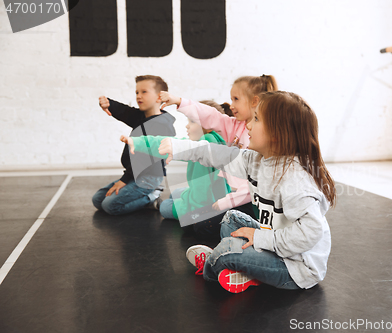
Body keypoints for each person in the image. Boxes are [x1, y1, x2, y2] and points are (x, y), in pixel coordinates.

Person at [123, 91, 336, 293]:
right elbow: (214, 154)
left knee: (227, 252)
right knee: (230, 219)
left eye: (256, 120)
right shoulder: (256, 160)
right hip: (274, 242)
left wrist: (261, 239)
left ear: (278, 135)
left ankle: (215, 263)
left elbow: (310, 233)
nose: (248, 125)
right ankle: (246, 271)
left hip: (295, 267)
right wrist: (175, 147)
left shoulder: (295, 180)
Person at [159, 74, 278, 214]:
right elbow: (210, 115)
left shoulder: (262, 137)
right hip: (230, 192)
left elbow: (253, 184)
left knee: (168, 207)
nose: (232, 105)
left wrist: (227, 201)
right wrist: (179, 101)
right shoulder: (236, 125)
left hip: (246, 201)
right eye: (231, 99)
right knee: (176, 193)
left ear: (254, 101)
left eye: (236, 99)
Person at [122, 101, 231, 228]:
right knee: (174, 194)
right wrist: (139, 141)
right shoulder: (215, 140)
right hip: (219, 197)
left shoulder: (203, 148)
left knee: (164, 206)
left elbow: (202, 196)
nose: (187, 126)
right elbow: (169, 143)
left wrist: (193, 215)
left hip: (206, 206)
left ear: (209, 125)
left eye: (192, 122)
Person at [92, 75, 176, 215]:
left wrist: (124, 180)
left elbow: (144, 161)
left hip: (148, 177)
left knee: (109, 206)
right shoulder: (142, 118)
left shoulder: (161, 126)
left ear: (159, 97)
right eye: (137, 92)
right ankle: (142, 195)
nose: (138, 96)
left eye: (144, 92)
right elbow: (126, 112)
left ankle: (152, 197)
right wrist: (109, 104)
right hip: (135, 175)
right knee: (97, 200)